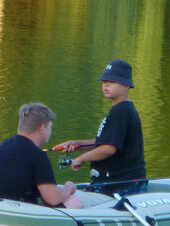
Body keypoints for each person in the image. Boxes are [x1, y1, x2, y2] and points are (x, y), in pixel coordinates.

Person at [55, 59, 147, 191]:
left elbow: (108, 149)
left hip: (121, 186)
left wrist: (81, 159)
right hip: (115, 184)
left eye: (112, 82)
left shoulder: (121, 111)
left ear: (126, 85)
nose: (106, 85)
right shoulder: (122, 109)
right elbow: (106, 143)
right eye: (104, 82)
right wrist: (77, 144)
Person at [0, 103, 83, 208]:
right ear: (42, 128)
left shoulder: (4, 145)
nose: (51, 131)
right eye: (50, 126)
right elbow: (53, 199)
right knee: (75, 201)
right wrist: (68, 187)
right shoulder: (38, 155)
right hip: (11, 209)